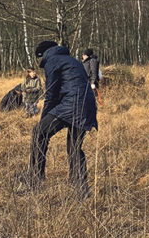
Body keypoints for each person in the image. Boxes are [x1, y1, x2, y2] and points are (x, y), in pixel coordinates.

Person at [22, 41, 97, 197]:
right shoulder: (72, 60)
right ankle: (81, 189)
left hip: (71, 105)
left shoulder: (52, 61)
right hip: (88, 106)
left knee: (38, 133)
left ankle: (35, 179)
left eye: (38, 59)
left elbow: (51, 94)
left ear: (41, 55)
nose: (38, 63)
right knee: (74, 147)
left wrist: (42, 120)